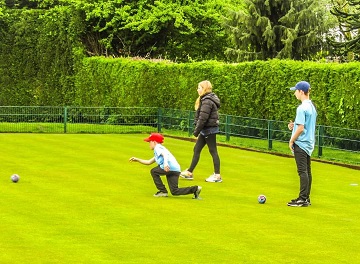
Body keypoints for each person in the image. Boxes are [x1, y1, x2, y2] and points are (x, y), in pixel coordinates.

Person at [129, 133, 202, 199]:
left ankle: (162, 191)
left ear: (154, 142)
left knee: (153, 171)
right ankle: (195, 189)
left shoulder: (158, 147)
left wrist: (166, 164)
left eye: (149, 142)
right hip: (175, 170)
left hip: (169, 168)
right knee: (174, 191)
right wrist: (137, 159)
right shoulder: (159, 150)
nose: (149, 144)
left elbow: (165, 155)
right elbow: (148, 162)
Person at [180, 80, 222, 183]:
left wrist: (196, 132)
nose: (197, 89)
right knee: (197, 149)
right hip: (206, 130)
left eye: (199, 88)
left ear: (204, 89)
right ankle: (189, 172)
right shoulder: (206, 99)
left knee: (213, 151)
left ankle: (217, 176)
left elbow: (203, 118)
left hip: (209, 130)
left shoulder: (207, 101)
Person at [287, 81, 317, 207]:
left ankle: (302, 199)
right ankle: (306, 198)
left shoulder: (301, 108)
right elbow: (303, 125)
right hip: (309, 143)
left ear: (301, 92)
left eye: (296, 91)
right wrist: (293, 126)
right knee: (307, 171)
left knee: (302, 171)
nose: (294, 93)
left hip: (301, 143)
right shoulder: (311, 106)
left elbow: (301, 128)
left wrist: (291, 140)